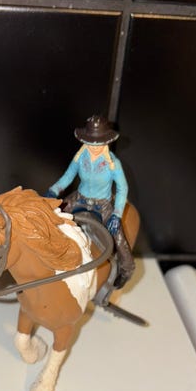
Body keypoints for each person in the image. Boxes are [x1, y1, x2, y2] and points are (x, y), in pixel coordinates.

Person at [46, 115, 135, 288]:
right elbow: (68, 176)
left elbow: (123, 188)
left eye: (98, 143)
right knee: (52, 215)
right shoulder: (80, 157)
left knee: (118, 237)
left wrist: (117, 214)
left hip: (103, 204)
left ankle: (127, 269)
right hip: (79, 198)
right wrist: (53, 190)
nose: (94, 147)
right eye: (91, 142)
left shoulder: (113, 164)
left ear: (106, 141)